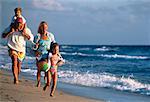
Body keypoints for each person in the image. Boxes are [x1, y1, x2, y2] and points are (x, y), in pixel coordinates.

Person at [2, 17, 34, 84]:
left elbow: (31, 39)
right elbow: (3, 36)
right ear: (15, 23)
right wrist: (10, 32)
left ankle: (16, 76)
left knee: (19, 65)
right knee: (14, 61)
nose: (19, 25)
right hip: (12, 48)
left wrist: (24, 34)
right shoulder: (10, 28)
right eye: (17, 23)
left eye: (20, 23)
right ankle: (16, 78)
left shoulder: (25, 30)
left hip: (21, 49)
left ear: (22, 24)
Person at [34, 21, 56, 87]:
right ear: (40, 27)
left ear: (47, 27)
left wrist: (55, 52)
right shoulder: (38, 36)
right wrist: (36, 48)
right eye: (42, 27)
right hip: (39, 55)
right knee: (39, 70)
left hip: (47, 55)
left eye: (45, 27)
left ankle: (46, 81)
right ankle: (38, 82)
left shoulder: (50, 35)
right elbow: (34, 46)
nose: (44, 28)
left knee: (46, 69)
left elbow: (54, 44)